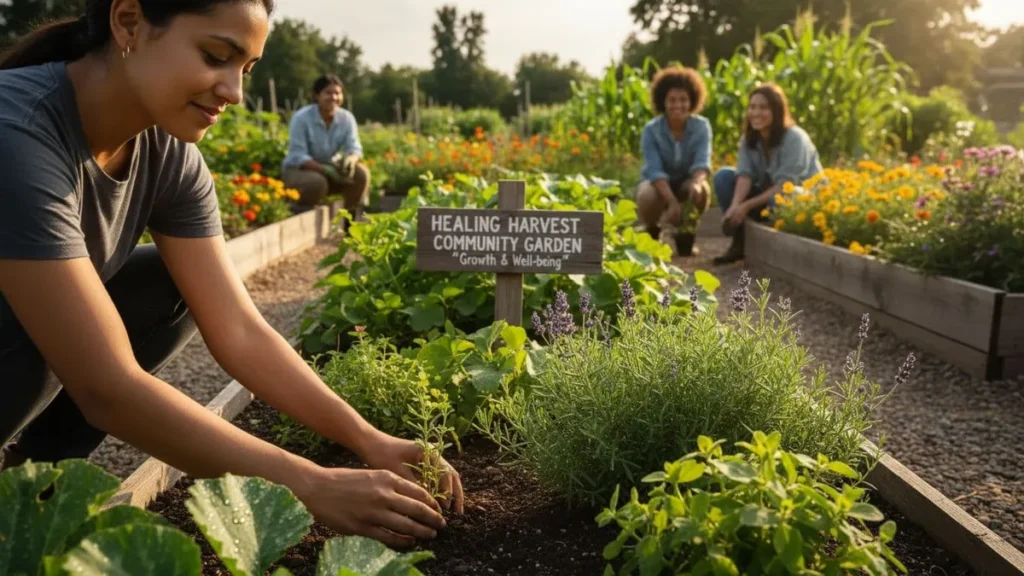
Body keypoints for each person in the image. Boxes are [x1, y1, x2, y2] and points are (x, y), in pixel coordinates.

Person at [0, 0, 461, 550]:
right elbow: (107, 387)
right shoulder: (17, 131)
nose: (234, 92)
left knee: (171, 284)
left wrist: (369, 439)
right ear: (128, 22)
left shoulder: (165, 152)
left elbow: (239, 327)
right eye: (215, 56)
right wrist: (310, 484)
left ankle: (30, 488)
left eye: (246, 69)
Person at [712, 83, 824, 265]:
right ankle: (739, 242)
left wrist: (746, 206)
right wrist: (735, 206)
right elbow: (745, 175)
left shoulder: (795, 138)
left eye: (763, 107)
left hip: (802, 201)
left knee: (782, 196)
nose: (756, 112)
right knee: (724, 176)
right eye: (752, 107)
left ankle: (777, 250)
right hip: (768, 199)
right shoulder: (749, 139)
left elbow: (785, 186)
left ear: (777, 111)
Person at [635, 65, 713, 257]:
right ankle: (652, 231)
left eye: (683, 99)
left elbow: (702, 163)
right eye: (672, 100)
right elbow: (654, 170)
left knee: (702, 190)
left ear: (692, 101)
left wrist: (696, 184)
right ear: (663, 101)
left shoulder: (701, 127)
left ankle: (686, 234)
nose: (678, 105)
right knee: (647, 194)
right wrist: (671, 202)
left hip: (686, 182)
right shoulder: (651, 130)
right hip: (658, 185)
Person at [281, 75, 370, 216]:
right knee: (317, 183)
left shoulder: (346, 118)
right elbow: (298, 154)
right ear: (317, 96)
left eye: (338, 93)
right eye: (328, 93)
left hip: (329, 167)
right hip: (299, 169)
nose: (334, 97)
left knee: (361, 175)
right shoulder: (302, 118)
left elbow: (354, 147)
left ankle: (347, 219)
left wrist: (351, 160)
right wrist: (324, 169)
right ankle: (303, 215)